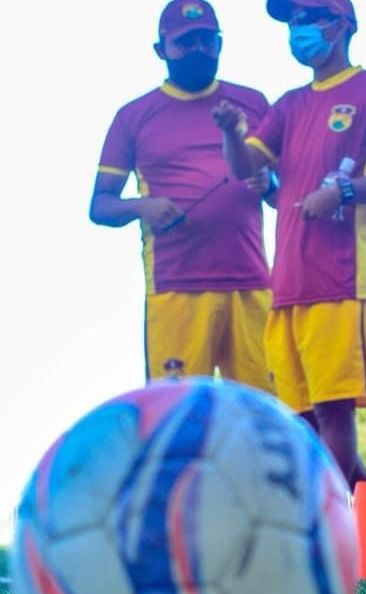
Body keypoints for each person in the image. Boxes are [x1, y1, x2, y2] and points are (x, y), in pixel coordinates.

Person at [213, 0, 366, 487]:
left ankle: (327, 529)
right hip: (286, 286)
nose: (297, 31)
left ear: (340, 24)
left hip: (342, 278)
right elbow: (245, 169)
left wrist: (342, 191)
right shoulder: (289, 105)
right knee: (303, 421)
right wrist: (232, 134)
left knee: (332, 416)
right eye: (292, 23)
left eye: (306, 19)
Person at [90, 0, 275, 392]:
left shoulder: (253, 103)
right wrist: (144, 206)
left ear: (221, 44)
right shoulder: (134, 115)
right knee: (178, 417)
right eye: (186, 42)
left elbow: (286, 190)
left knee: (269, 413)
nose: (198, 50)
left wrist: (268, 183)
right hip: (175, 287)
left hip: (253, 284)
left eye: (207, 41)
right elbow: (101, 205)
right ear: (161, 50)